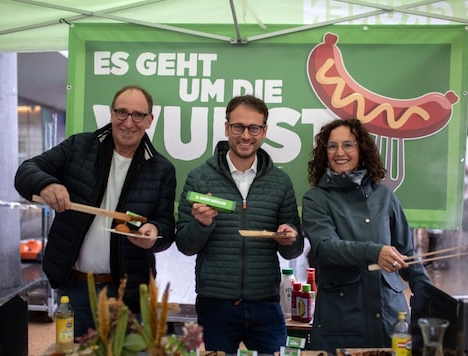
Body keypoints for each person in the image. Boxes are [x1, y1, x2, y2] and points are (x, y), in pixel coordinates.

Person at [14, 85, 176, 338]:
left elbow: (165, 225)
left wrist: (154, 233)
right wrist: (46, 184)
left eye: (138, 115)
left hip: (129, 291)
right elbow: (26, 170)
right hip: (77, 287)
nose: (128, 122)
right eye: (122, 112)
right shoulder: (79, 146)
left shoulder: (161, 169)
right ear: (111, 114)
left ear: (149, 120)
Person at [175, 95, 303, 354]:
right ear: (226, 128)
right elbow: (185, 245)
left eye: (254, 128)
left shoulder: (280, 182)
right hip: (215, 305)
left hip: (266, 304)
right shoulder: (199, 178)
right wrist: (202, 224)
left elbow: (294, 250)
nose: (246, 135)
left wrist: (290, 239)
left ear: (264, 131)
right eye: (238, 127)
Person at [301, 118, 432, 350]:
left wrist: (429, 296)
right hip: (343, 318)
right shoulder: (316, 199)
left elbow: (407, 254)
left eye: (348, 145)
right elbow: (326, 247)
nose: (339, 152)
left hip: (391, 317)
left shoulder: (385, 196)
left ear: (361, 149)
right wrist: (374, 252)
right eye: (332, 146)